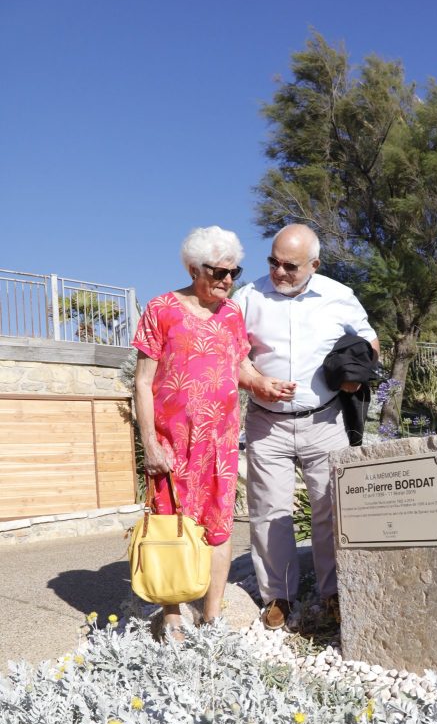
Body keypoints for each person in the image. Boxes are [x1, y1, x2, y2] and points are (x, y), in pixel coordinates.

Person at [133, 226, 291, 639]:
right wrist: (149, 442)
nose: (226, 281)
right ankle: (171, 614)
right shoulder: (162, 309)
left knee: (219, 525)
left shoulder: (232, 315)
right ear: (192, 267)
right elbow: (142, 381)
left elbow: (237, 365)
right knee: (170, 523)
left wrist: (261, 384)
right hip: (173, 442)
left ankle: (212, 614)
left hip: (219, 443)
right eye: (217, 272)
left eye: (233, 272)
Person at [233, 224, 379, 630]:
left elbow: (369, 342)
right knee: (269, 513)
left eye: (291, 266)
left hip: (325, 420)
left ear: (314, 264)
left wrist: (355, 375)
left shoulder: (339, 296)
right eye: (273, 262)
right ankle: (277, 597)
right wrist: (255, 381)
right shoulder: (247, 298)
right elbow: (232, 354)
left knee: (332, 510)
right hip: (267, 423)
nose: (279, 272)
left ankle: (333, 593)